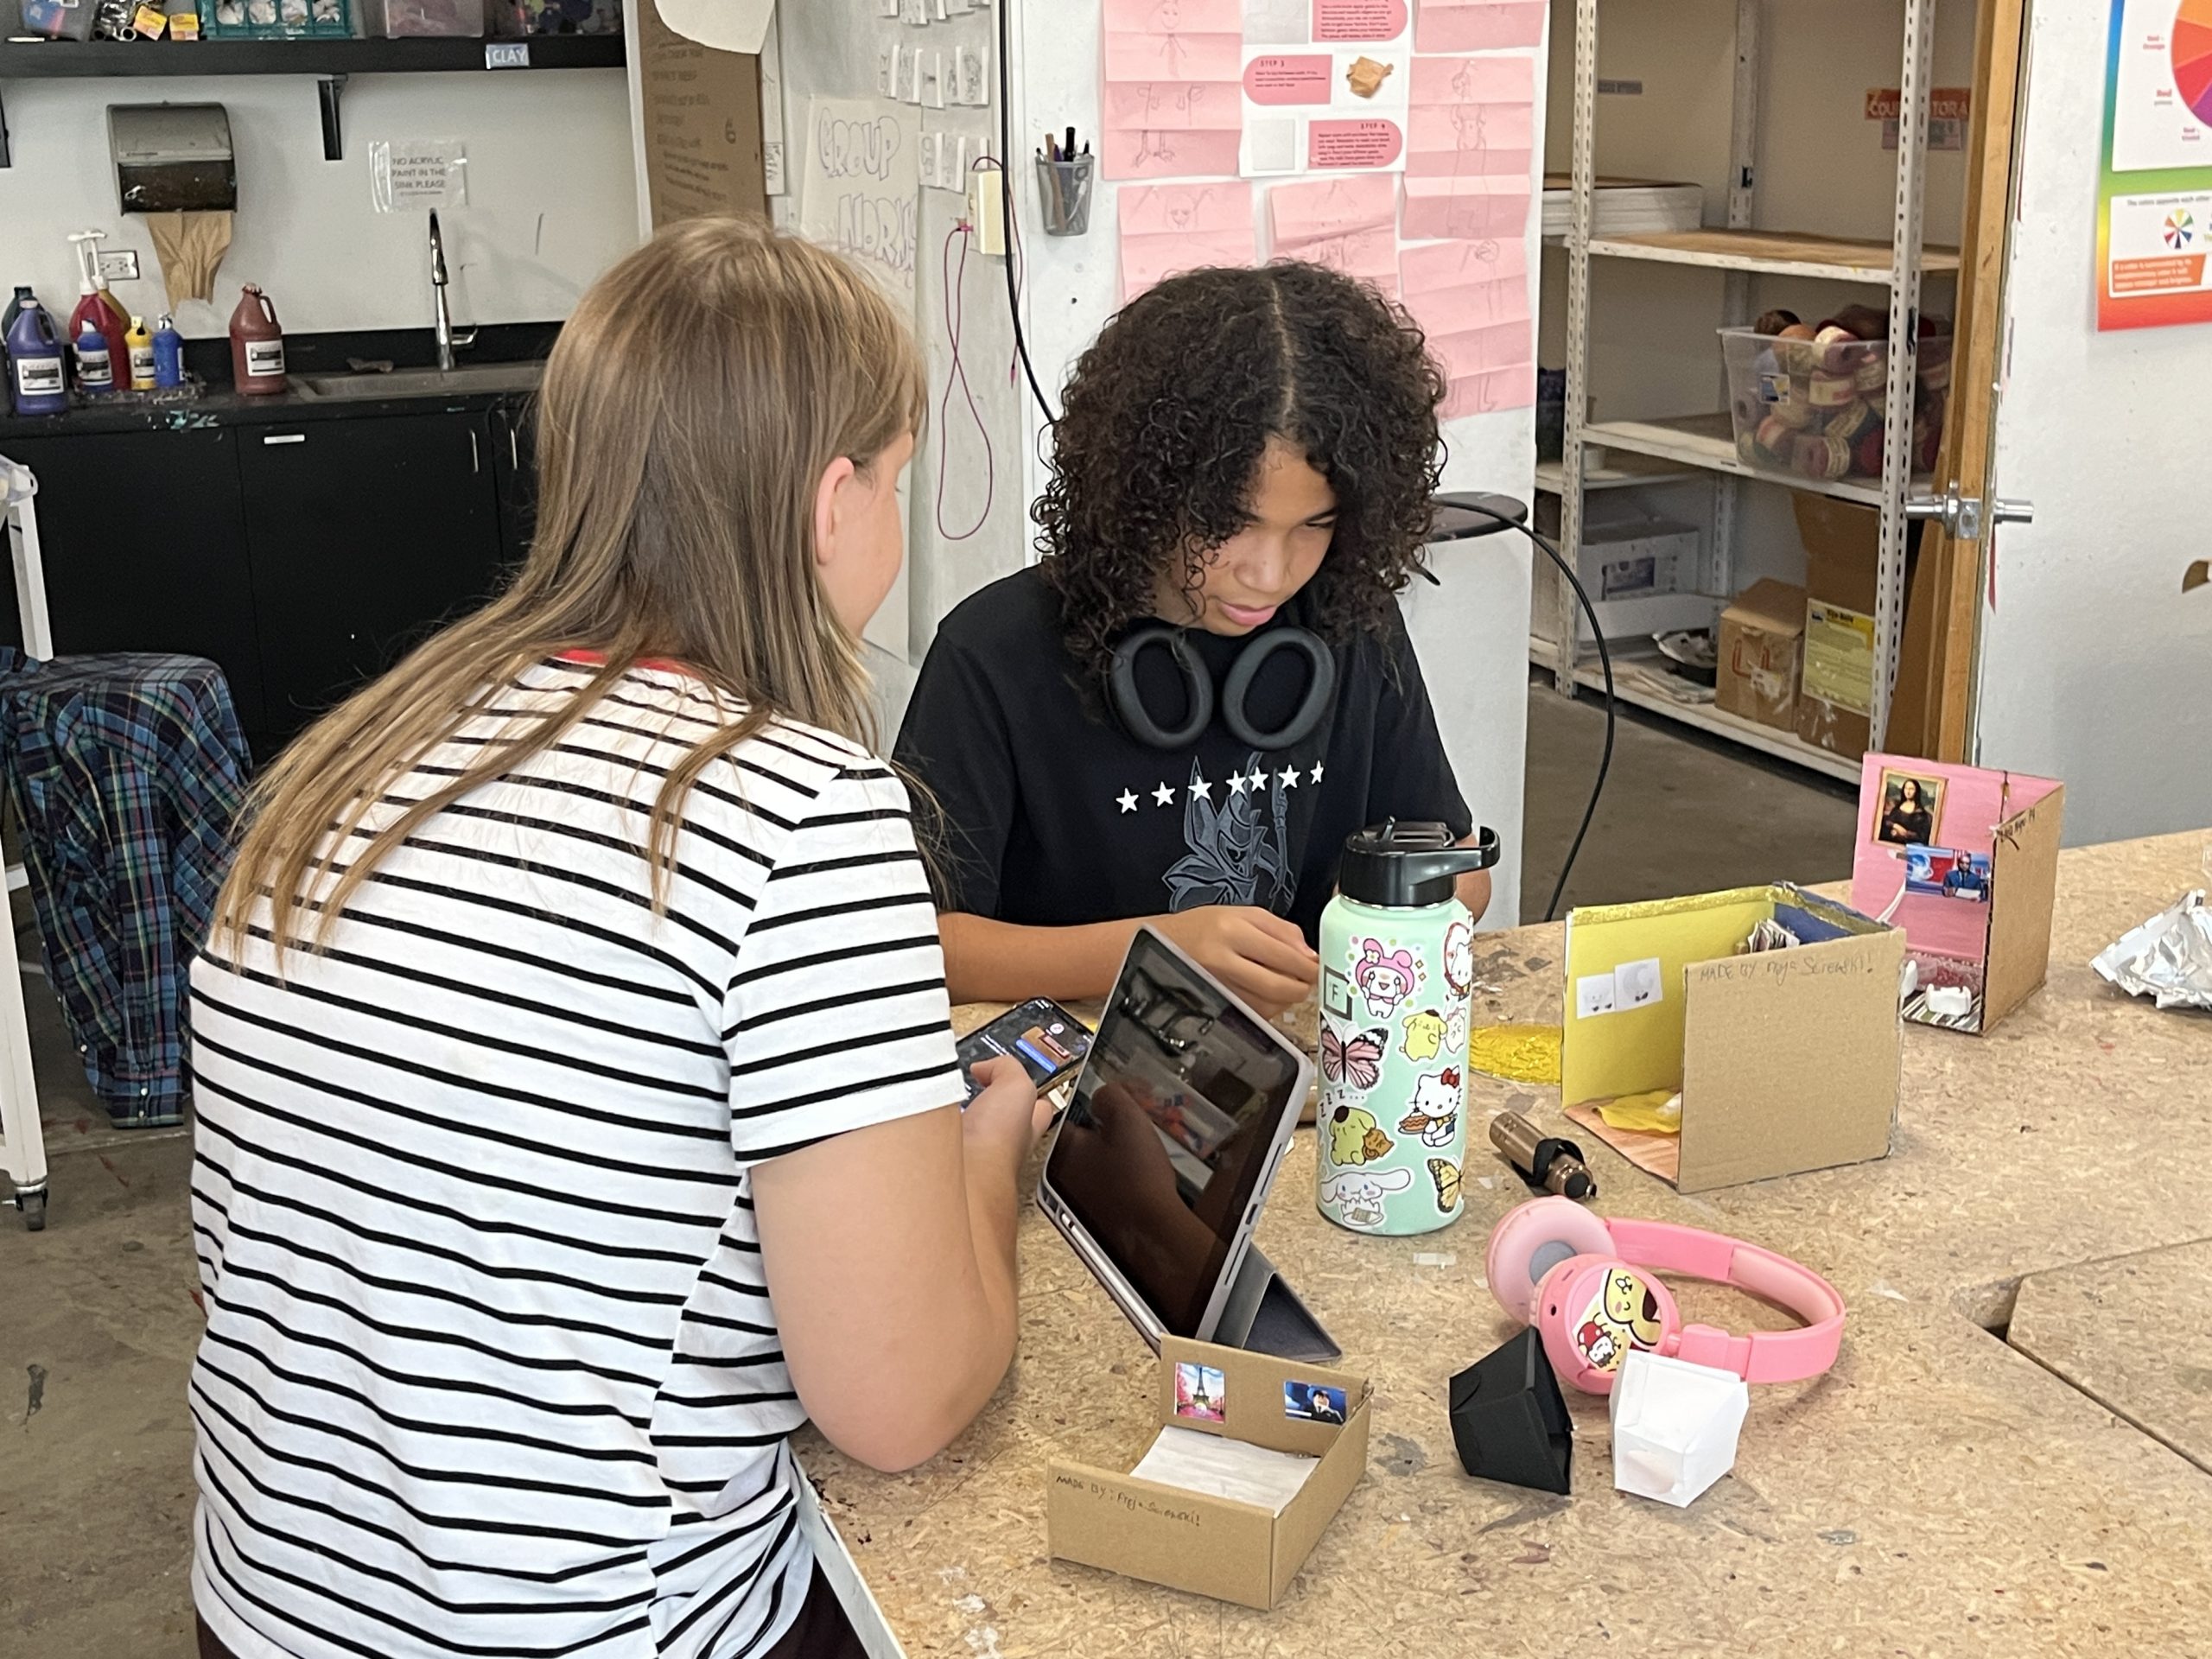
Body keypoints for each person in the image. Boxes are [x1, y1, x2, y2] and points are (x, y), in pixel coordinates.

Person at [185, 219, 1046, 1659]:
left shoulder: (350, 756)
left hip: (268, 1608)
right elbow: (900, 1400)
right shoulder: (801, 815)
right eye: (898, 482)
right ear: (831, 502)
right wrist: (989, 1156)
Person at [895, 262, 1490, 1019]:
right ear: (1149, 488)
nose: (1270, 575)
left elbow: (1461, 867)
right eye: (1230, 524)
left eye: (1315, 525)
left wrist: (1384, 912)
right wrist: (1149, 950)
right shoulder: (994, 653)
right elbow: (917, 944)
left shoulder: (1352, 622)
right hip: (1076, 1061)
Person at [1880, 777, 1936, 846]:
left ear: (1917, 791)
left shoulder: (1921, 814)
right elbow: (1888, 822)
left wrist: (1904, 834)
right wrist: (1895, 826)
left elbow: (1922, 836)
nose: (1908, 792)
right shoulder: (1897, 808)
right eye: (1906, 788)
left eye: (1911, 789)